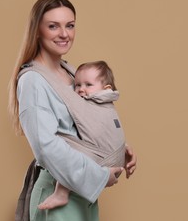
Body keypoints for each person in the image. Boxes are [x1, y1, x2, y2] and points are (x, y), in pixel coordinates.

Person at [8, 0, 137, 221]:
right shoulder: (34, 81)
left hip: (82, 195)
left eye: (70, 25)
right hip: (59, 192)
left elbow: (84, 125)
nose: (64, 34)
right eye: (53, 26)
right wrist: (98, 175)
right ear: (37, 30)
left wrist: (117, 149)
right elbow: (46, 146)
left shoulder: (72, 72)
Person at [37, 60, 127, 210]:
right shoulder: (107, 101)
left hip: (104, 160)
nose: (81, 89)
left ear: (106, 88)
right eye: (77, 85)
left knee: (68, 151)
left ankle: (61, 193)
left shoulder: (93, 101)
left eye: (88, 85)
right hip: (116, 157)